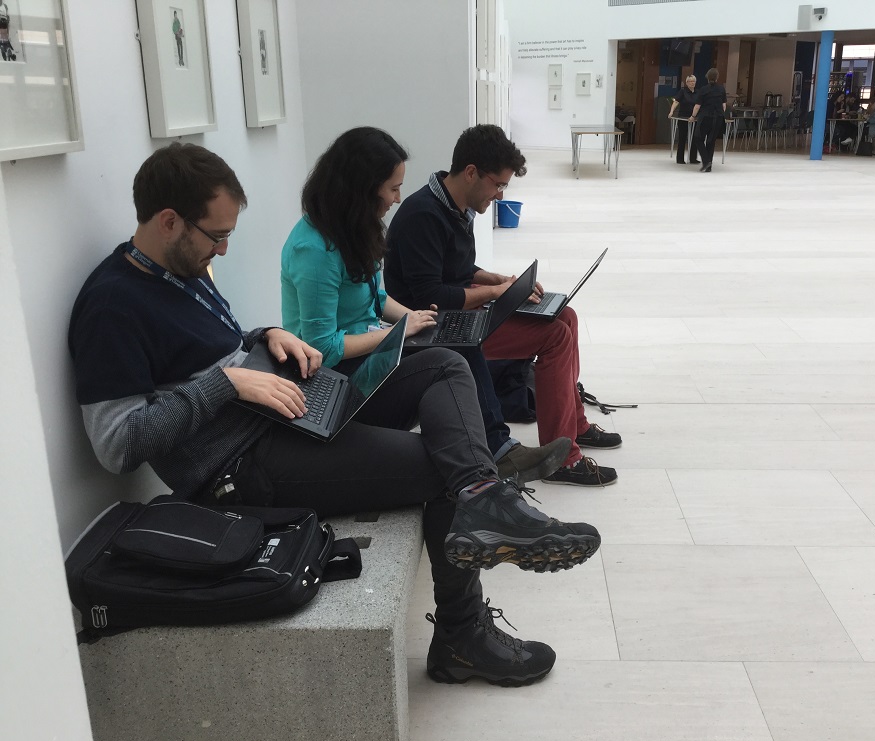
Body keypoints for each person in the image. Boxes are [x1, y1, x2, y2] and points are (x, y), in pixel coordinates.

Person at [68, 142, 601, 687]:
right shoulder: (113, 306)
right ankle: (462, 635)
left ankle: (485, 495)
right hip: (239, 464)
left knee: (444, 363)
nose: (224, 250)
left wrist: (263, 336)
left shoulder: (181, 269)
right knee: (445, 466)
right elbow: (117, 445)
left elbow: (210, 349)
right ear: (169, 222)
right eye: (217, 235)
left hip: (287, 410)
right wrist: (227, 384)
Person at [280, 126, 569, 484]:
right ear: (362, 188)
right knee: (450, 359)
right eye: (393, 188)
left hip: (370, 352)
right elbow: (323, 348)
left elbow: (376, 298)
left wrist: (416, 319)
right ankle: (491, 459)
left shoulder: (350, 230)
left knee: (452, 339)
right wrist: (401, 331)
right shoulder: (313, 250)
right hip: (339, 380)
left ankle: (490, 459)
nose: (397, 198)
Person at [384, 125, 621, 488]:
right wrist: (496, 293)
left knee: (565, 316)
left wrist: (500, 281)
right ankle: (563, 461)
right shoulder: (423, 216)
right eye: (498, 185)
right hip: (436, 327)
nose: (499, 194)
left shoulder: (455, 207)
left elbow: (459, 271)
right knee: (554, 336)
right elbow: (431, 297)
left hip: (460, 314)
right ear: (471, 172)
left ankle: (575, 426)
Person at [689, 67, 727, 172]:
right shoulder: (721, 89)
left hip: (705, 117)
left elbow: (697, 106)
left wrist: (693, 116)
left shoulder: (703, 90)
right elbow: (724, 106)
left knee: (698, 138)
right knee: (711, 141)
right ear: (717, 77)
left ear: (707, 77)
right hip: (718, 118)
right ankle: (709, 166)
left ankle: (706, 161)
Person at [667, 75, 700, 165]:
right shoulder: (683, 91)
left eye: (693, 81)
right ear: (687, 83)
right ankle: (680, 158)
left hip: (694, 118)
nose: (692, 83)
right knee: (682, 137)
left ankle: (693, 158)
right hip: (683, 117)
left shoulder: (698, 92)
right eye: (690, 81)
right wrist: (671, 111)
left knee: (695, 138)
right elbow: (676, 101)